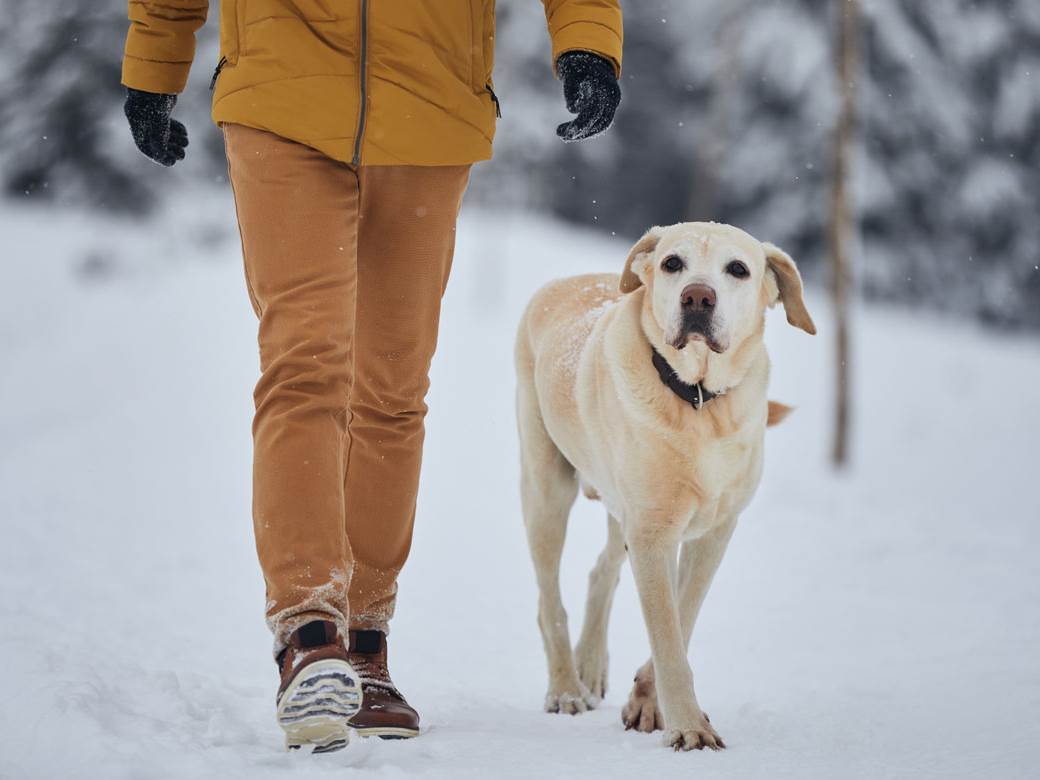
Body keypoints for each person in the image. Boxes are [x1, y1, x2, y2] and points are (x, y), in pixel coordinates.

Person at [121, 0, 623, 752]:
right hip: (281, 90)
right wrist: (155, 60)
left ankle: (364, 641)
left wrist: (586, 47)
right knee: (303, 366)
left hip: (431, 101)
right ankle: (308, 634)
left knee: (392, 390)